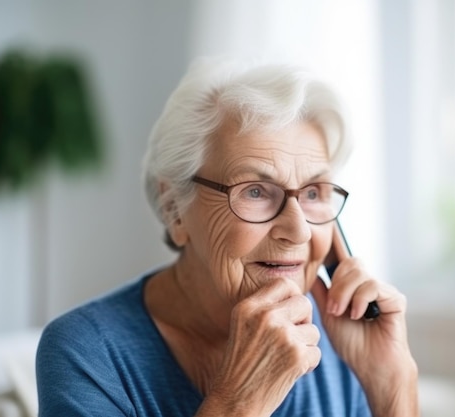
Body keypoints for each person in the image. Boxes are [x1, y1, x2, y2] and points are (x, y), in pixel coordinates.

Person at [36, 57, 419, 416]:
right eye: (255, 191)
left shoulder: (341, 338)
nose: (299, 230)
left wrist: (392, 384)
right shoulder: (85, 353)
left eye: (314, 193)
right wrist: (239, 401)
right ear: (174, 210)